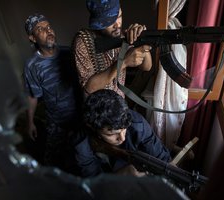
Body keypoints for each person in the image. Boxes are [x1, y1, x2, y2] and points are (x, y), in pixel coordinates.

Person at [23, 13, 82, 169]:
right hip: (56, 123)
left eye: (49, 27)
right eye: (40, 29)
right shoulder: (32, 65)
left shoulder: (69, 53)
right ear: (32, 38)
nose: (48, 30)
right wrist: (30, 123)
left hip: (80, 117)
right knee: (53, 164)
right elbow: (32, 95)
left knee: (82, 159)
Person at [72, 89, 171, 177]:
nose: (122, 138)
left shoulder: (136, 123)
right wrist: (120, 175)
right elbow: (92, 183)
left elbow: (162, 158)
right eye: (111, 134)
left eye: (124, 130)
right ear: (93, 128)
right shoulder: (81, 141)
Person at [72, 0, 152, 98]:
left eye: (119, 17)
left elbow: (147, 67)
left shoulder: (122, 36)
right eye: (110, 21)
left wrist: (141, 41)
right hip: (97, 109)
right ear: (99, 22)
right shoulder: (83, 41)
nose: (117, 25)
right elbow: (89, 88)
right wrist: (123, 62)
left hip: (119, 106)